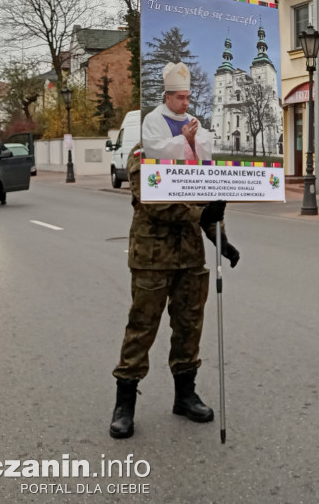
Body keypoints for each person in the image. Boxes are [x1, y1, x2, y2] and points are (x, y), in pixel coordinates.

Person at [108, 144, 240, 439]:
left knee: (189, 326)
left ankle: (185, 395)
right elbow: (155, 202)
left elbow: (206, 202)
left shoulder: (194, 154)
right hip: (152, 258)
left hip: (191, 258)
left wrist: (220, 238)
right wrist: (202, 212)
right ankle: (124, 404)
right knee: (142, 328)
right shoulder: (144, 153)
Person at [142, 63, 213, 161]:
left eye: (188, 97)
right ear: (168, 97)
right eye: (180, 98)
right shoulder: (152, 119)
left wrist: (192, 141)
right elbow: (155, 151)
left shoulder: (192, 120)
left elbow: (207, 146)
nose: (186, 103)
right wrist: (185, 138)